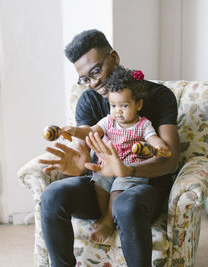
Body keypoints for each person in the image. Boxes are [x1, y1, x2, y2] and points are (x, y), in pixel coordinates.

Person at [38, 29, 180, 267]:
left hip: (142, 190)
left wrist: (128, 171)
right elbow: (83, 143)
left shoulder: (160, 96)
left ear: (114, 57)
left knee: (127, 204)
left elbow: (171, 160)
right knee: (52, 195)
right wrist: (79, 163)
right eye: (85, 78)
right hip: (102, 184)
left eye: (95, 71)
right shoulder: (88, 100)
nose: (94, 83)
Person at [61, 66, 171, 243]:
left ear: (138, 105)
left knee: (118, 189)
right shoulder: (108, 121)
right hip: (106, 167)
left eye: (124, 105)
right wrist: (74, 131)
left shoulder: (143, 124)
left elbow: (153, 138)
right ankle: (106, 214)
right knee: (99, 183)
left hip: (129, 168)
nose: (118, 111)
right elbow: (90, 132)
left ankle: (108, 221)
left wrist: (160, 146)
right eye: (113, 105)